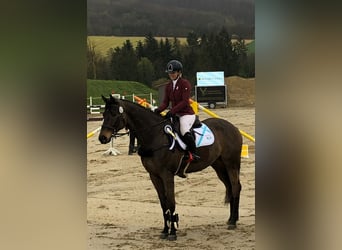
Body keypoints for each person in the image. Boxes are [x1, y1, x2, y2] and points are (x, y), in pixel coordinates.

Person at [154, 59, 200, 163]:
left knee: (184, 129)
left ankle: (193, 153)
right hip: (176, 114)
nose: (171, 75)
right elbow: (165, 102)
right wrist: (158, 110)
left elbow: (184, 102)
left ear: (179, 72)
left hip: (186, 114)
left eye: (173, 72)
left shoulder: (185, 84)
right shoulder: (169, 86)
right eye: (170, 73)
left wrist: (172, 111)